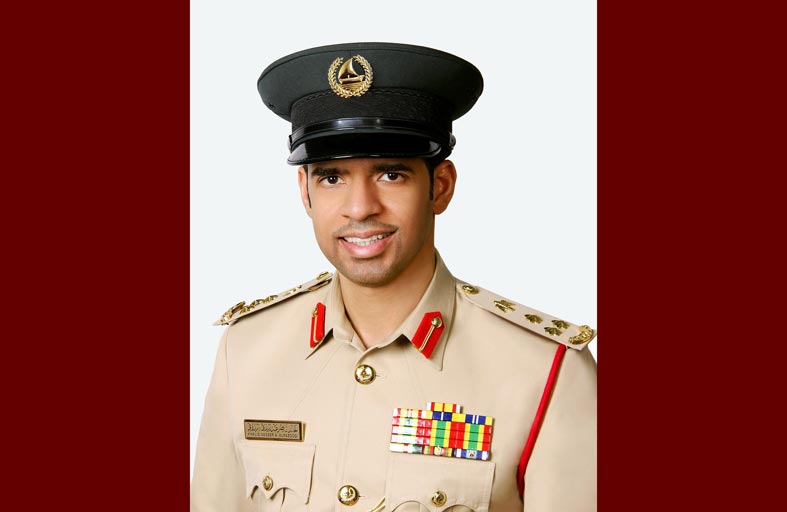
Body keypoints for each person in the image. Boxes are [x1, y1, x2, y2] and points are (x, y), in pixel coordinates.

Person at [191, 42, 597, 512]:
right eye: (331, 177)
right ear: (304, 192)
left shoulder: (546, 369)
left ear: (440, 186)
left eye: (390, 174)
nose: (360, 207)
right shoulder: (245, 351)